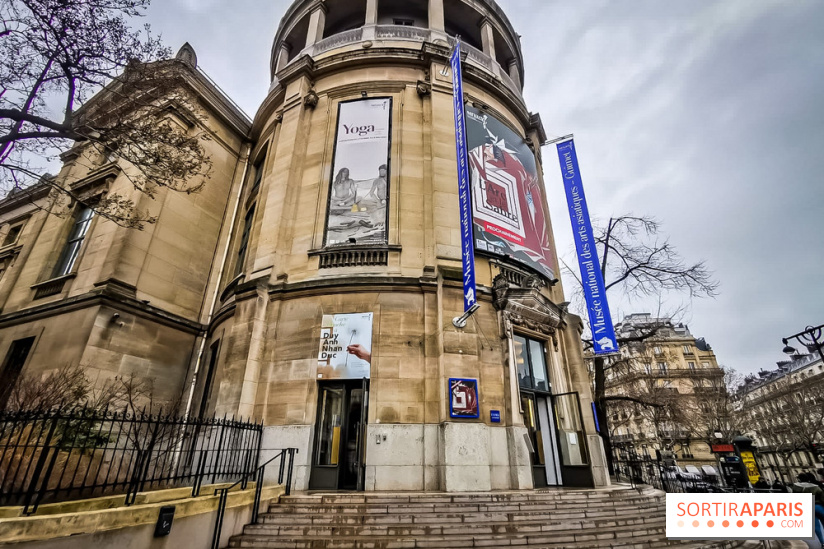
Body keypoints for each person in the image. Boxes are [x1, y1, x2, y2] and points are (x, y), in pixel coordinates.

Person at [791, 473, 824, 544]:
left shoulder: (796, 487)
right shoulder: (815, 487)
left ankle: (823, 542)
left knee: (816, 527)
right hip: (818, 506)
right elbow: (822, 497)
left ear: (799, 479)